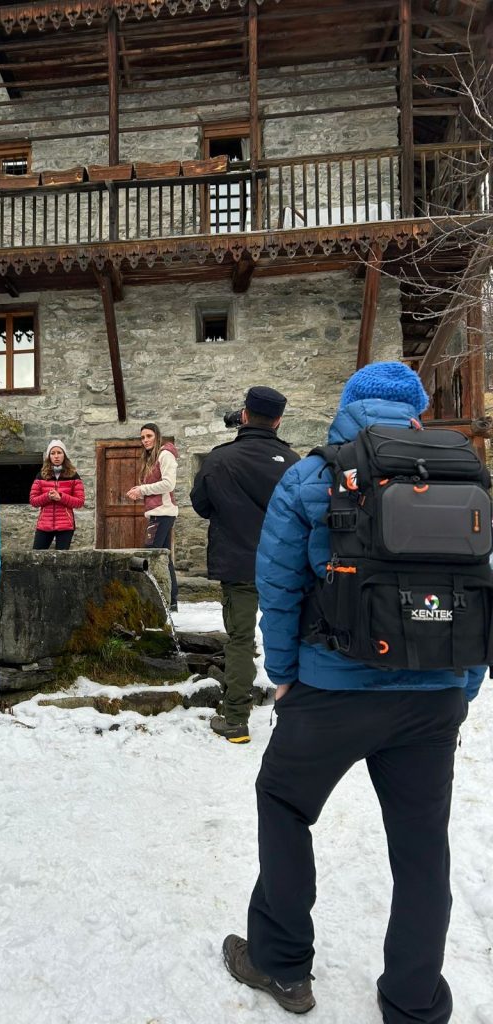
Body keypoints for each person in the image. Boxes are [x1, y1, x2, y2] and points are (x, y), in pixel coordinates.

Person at [221, 362, 485, 1022]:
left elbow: (278, 589)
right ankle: (414, 999)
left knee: (283, 803)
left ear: (347, 407)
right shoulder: (463, 474)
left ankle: (282, 964)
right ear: (418, 410)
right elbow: (483, 589)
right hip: (433, 697)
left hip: (330, 687)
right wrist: (465, 683)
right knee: (423, 846)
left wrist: (283, 674)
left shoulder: (312, 476)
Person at [190, 386, 299, 744]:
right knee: (297, 636)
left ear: (245, 415)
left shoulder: (219, 460)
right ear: (279, 420)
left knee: (240, 640)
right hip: (285, 566)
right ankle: (301, 720)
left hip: (239, 565)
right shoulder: (294, 463)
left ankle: (235, 719)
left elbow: (202, 505)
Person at [126, 422, 179, 610]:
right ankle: (170, 601)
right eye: (142, 437)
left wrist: (142, 489)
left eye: (149, 436)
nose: (145, 440)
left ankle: (158, 600)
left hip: (163, 512)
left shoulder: (165, 455)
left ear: (157, 436)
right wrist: (141, 491)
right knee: (163, 556)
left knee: (152, 555)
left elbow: (168, 484)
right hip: (159, 513)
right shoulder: (153, 458)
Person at [29, 439, 85, 550]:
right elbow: (33, 500)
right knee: (37, 557)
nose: (56, 456)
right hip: (44, 525)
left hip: (66, 525)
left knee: (63, 561)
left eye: (59, 452)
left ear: (64, 455)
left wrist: (61, 497)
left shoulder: (73, 476)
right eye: (52, 453)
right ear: (49, 456)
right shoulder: (41, 475)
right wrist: (47, 497)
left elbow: (80, 502)